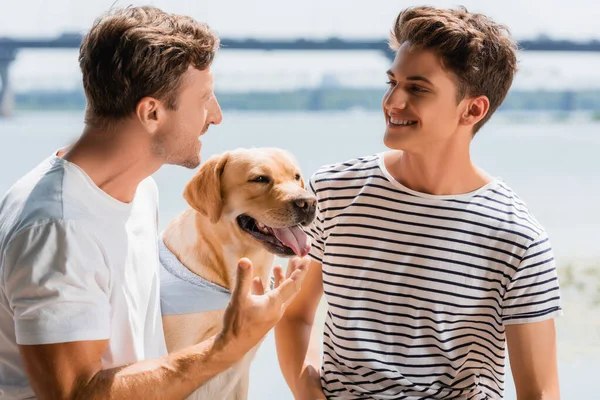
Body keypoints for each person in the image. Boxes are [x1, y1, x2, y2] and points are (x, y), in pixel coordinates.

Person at [0, 6, 308, 400]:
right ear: (151, 113)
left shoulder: (139, 191)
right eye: (204, 99)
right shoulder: (58, 227)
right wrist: (226, 345)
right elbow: (74, 393)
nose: (216, 116)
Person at [276, 6, 561, 400]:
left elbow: (541, 392)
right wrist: (306, 387)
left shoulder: (518, 239)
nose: (393, 101)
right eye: (392, 81)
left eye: (418, 88)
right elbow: (295, 314)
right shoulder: (332, 191)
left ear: (472, 109)